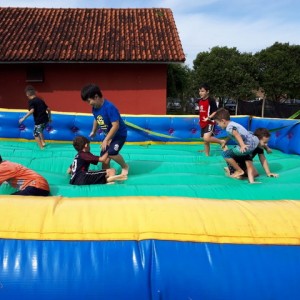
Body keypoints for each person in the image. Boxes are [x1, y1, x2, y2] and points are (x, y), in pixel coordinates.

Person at [81, 84, 129, 175]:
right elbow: (96, 118)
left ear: (96, 97)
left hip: (119, 135)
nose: (89, 104)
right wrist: (94, 131)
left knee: (112, 153)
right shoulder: (95, 108)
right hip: (109, 136)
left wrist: (106, 140)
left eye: (89, 101)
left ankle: (125, 166)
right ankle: (108, 175)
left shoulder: (109, 107)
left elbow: (116, 126)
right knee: (104, 160)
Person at [214, 107, 259, 178]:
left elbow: (236, 134)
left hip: (246, 146)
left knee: (225, 154)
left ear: (223, 121)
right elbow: (233, 134)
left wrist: (242, 145)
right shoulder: (233, 124)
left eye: (218, 123)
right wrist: (225, 141)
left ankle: (239, 170)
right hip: (254, 142)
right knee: (233, 152)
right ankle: (242, 168)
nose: (218, 125)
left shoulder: (229, 128)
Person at [196, 83, 225, 156]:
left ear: (207, 91)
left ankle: (221, 141)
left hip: (210, 122)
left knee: (206, 138)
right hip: (202, 122)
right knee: (205, 141)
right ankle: (207, 154)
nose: (200, 93)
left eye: (202, 91)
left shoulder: (211, 100)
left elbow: (215, 111)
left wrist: (208, 117)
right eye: (199, 91)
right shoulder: (199, 101)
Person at [19, 85, 52, 149]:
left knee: (35, 133)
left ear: (27, 94)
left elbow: (32, 110)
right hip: (45, 120)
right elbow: (49, 109)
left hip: (39, 121)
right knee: (40, 130)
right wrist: (50, 118)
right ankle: (43, 142)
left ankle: (41, 148)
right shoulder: (40, 100)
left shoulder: (31, 101)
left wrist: (23, 118)